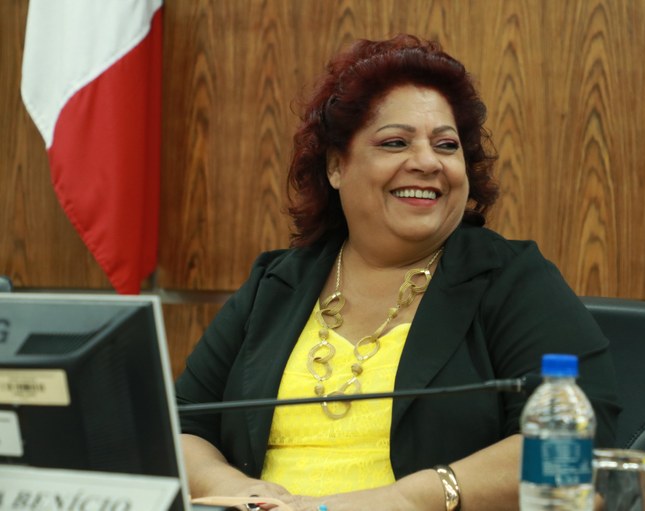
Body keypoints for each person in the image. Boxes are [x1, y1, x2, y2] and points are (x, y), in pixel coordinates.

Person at [175, 34, 620, 511]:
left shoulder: (511, 279)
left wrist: (406, 498)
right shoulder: (276, 284)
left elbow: (579, 445)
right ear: (336, 166)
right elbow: (180, 425)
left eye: (446, 145)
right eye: (395, 143)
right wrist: (236, 488)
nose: (427, 162)